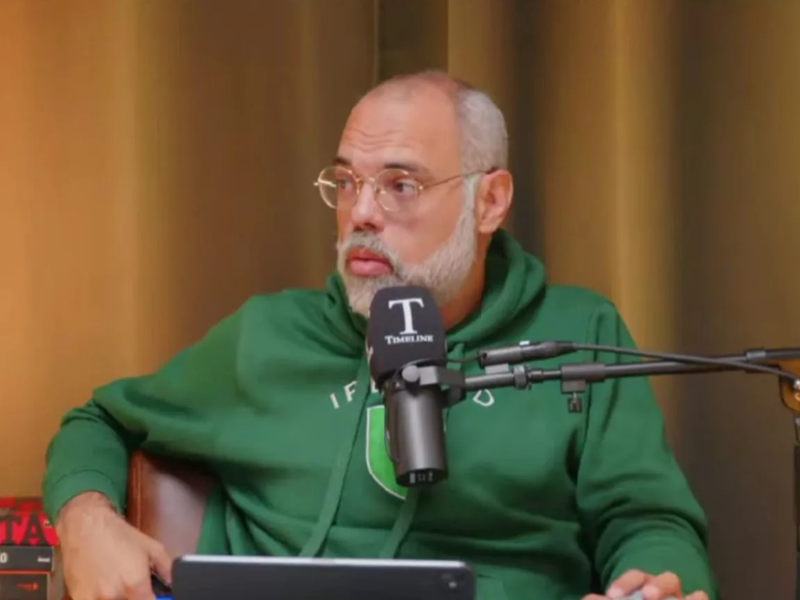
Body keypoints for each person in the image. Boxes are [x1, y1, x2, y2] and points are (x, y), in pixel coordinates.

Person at [43, 70, 716, 600]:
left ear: (489, 201)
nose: (361, 212)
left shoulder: (578, 334)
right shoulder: (268, 338)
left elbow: (647, 520)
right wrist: (85, 520)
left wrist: (654, 585)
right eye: (347, 182)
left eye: (400, 184)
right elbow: (99, 419)